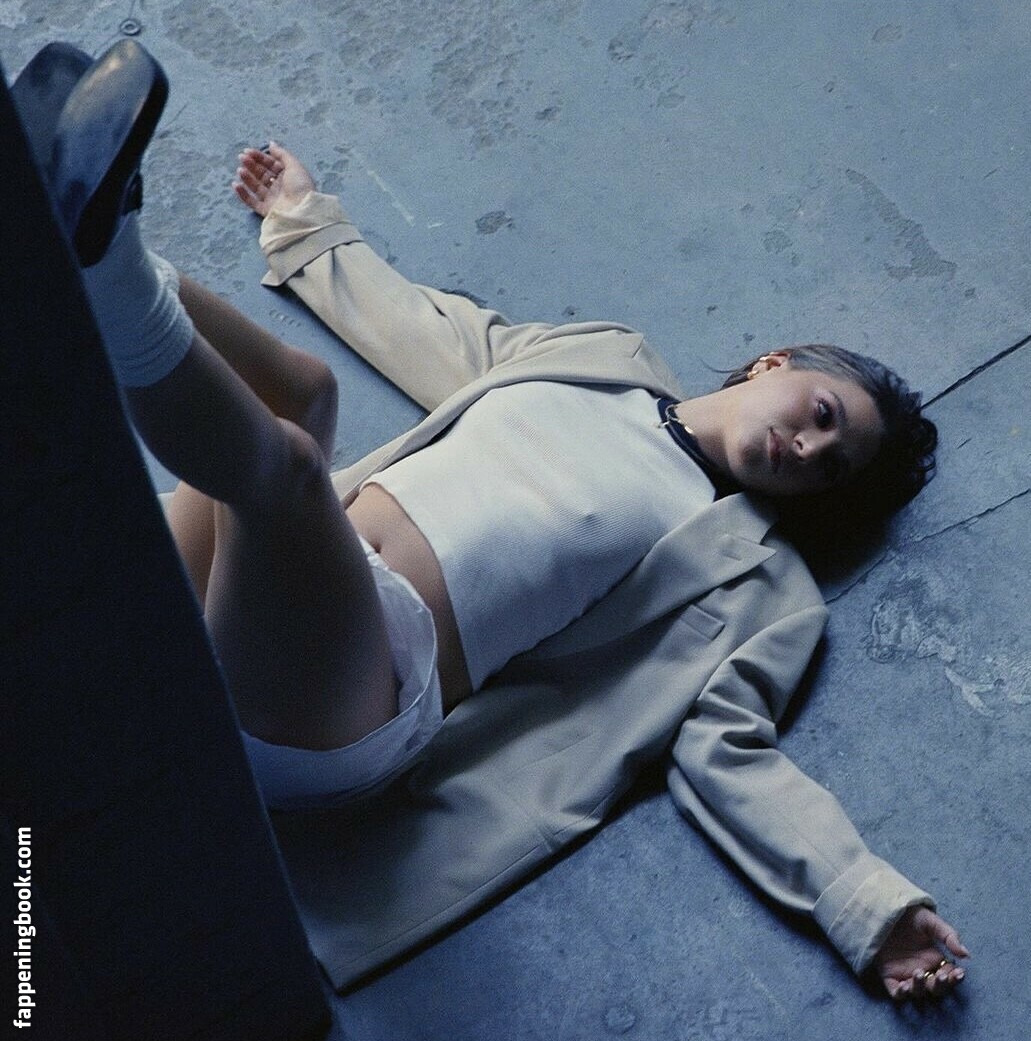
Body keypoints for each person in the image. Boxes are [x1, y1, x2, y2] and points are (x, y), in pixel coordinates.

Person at [25, 39, 968, 1003]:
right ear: (776, 363)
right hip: (284, 575)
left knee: (290, 467)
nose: (806, 448)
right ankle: (79, 231)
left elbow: (729, 749)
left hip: (357, 704)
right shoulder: (606, 360)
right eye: (821, 414)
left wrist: (866, 906)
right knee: (304, 399)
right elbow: (425, 330)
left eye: (830, 466)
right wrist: (306, 223)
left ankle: (100, 256)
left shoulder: (757, 581)